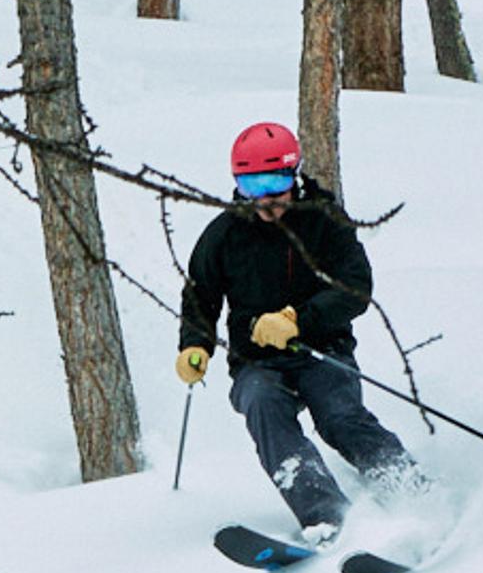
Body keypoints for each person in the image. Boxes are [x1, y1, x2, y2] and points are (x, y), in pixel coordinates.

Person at [176, 121, 424, 539]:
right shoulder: (223, 235)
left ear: (295, 175)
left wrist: (297, 320)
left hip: (321, 350)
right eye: (252, 186)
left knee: (339, 417)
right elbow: (200, 296)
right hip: (257, 362)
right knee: (263, 407)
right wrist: (194, 346)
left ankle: (413, 494)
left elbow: (355, 289)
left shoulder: (325, 222)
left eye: (275, 182)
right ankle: (326, 515)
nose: (266, 198)